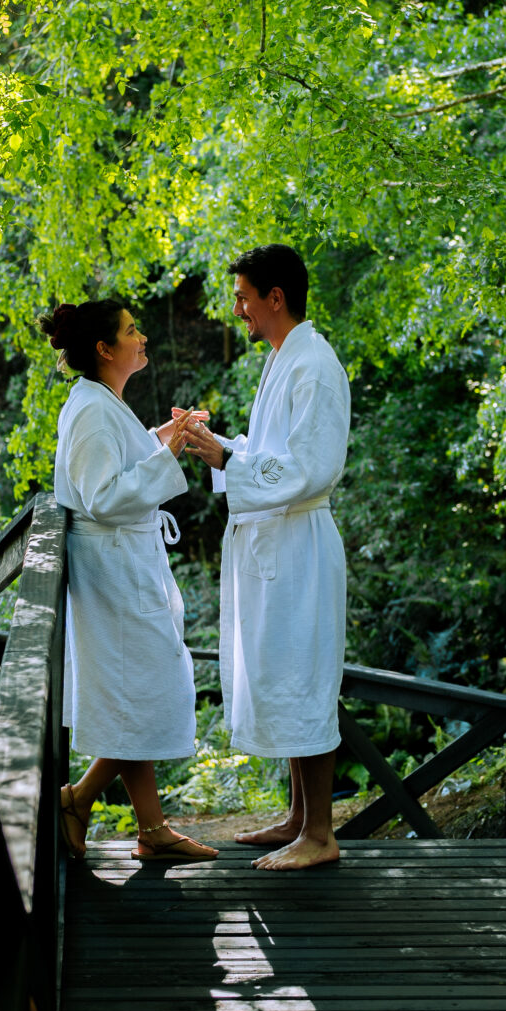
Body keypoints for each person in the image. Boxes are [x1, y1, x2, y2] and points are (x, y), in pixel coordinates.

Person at [185, 246, 350, 871]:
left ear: (274, 298)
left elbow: (310, 468)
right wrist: (216, 445)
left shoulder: (315, 364)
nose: (238, 309)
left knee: (305, 678)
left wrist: (230, 461)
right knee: (282, 672)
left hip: (300, 546)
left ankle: (321, 834)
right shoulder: (285, 358)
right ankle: (297, 818)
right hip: (273, 544)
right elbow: (267, 453)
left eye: (244, 297)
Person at [42, 297, 218, 864]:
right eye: (131, 329)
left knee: (132, 697)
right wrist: (166, 449)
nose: (141, 336)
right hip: (113, 576)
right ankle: (77, 798)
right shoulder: (91, 409)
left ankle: (152, 828)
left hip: (124, 569)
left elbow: (118, 461)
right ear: (104, 348)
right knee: (142, 692)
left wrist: (166, 433)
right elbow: (103, 495)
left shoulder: (101, 402)